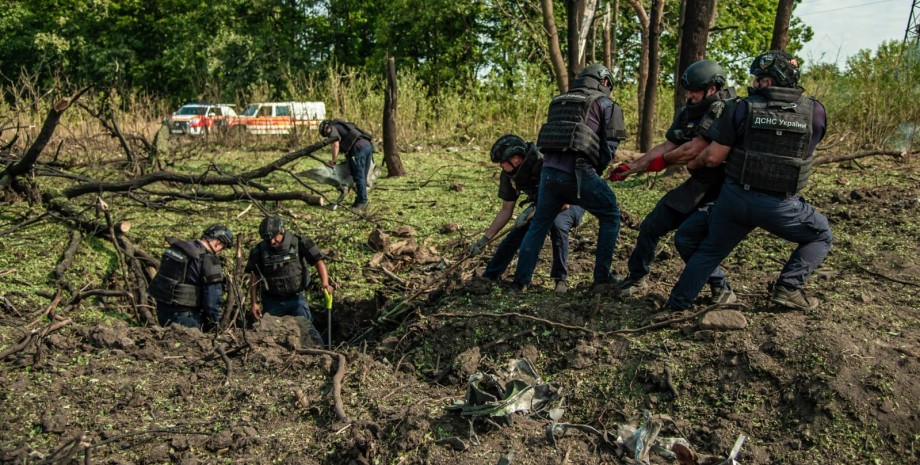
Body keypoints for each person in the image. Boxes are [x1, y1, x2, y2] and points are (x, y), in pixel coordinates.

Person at [664, 50, 832, 312]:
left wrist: (692, 164)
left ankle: (677, 305)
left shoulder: (741, 108)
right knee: (821, 235)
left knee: (708, 251)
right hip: (781, 205)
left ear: (767, 82)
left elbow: (712, 157)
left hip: (735, 199)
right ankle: (788, 288)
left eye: (757, 79)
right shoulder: (815, 112)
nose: (753, 84)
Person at [608, 60, 738, 304]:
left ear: (712, 89)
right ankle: (637, 277)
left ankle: (721, 286)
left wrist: (663, 162)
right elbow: (668, 145)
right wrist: (633, 167)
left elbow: (694, 149)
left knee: (689, 239)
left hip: (724, 190)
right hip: (699, 184)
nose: (689, 95)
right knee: (651, 225)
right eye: (687, 90)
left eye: (694, 91)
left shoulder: (725, 109)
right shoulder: (687, 111)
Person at [510, 63, 627, 291]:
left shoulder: (558, 101)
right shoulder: (606, 104)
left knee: (539, 225)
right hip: (579, 174)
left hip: (548, 175)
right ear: (604, 82)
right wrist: (597, 172)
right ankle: (602, 279)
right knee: (611, 215)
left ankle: (519, 282)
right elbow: (609, 149)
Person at [468, 134, 585, 293]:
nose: (500, 166)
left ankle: (560, 279)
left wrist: (533, 211)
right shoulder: (509, 175)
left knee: (557, 225)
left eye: (502, 162)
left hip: (571, 201)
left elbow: (563, 203)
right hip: (542, 204)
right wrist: (484, 239)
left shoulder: (546, 163)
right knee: (517, 233)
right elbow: (506, 210)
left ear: (516, 159)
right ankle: (491, 276)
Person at [246, 215, 333, 346]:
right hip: (272, 301)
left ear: (282, 230)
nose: (272, 242)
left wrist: (325, 283)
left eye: (275, 237)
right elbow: (255, 276)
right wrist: (254, 303)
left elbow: (318, 262)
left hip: (296, 299)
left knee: (307, 333)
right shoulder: (259, 250)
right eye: (268, 239)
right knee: (270, 337)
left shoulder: (299, 242)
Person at [150, 224, 233, 331]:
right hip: (186, 316)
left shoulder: (179, 248)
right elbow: (212, 302)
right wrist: (215, 324)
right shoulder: (210, 260)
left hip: (162, 309)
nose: (221, 252)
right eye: (223, 247)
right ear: (217, 243)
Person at [319, 119, 374, 211]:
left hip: (358, 148)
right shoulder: (343, 125)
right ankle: (359, 200)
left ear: (325, 128)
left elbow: (335, 144)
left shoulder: (331, 128)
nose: (328, 135)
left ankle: (362, 203)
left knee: (359, 177)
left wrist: (333, 160)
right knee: (362, 177)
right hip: (367, 146)